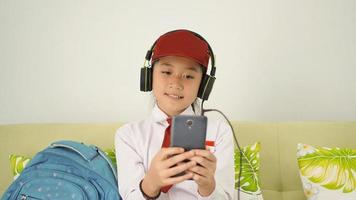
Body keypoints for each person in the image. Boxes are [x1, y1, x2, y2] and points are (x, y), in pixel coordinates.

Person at [115, 29, 234, 200]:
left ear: (203, 86)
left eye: (188, 76)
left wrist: (208, 187)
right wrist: (151, 183)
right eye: (166, 72)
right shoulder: (128, 135)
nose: (176, 83)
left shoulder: (220, 133)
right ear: (149, 77)